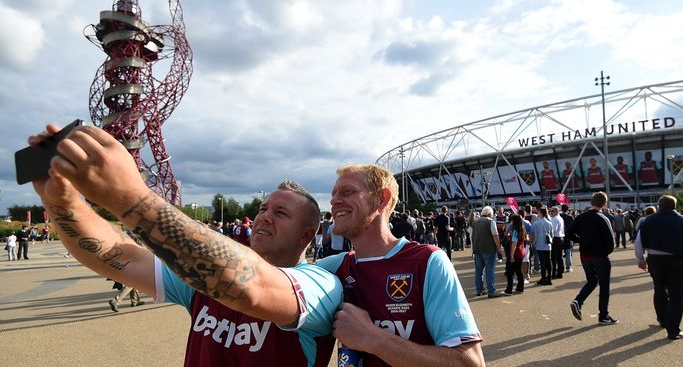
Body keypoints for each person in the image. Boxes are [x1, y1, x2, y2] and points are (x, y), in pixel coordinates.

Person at [28, 124, 342, 366]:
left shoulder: (320, 287)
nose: (265, 217)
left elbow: (251, 285)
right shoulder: (200, 282)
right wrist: (61, 203)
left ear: (306, 235)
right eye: (263, 209)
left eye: (281, 213)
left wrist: (129, 196)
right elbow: (114, 254)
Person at [317, 164, 485, 367]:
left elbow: (470, 363)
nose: (334, 200)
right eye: (333, 194)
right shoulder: (331, 268)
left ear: (382, 199)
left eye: (347, 192)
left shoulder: (427, 262)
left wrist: (373, 338)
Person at [635, 195, 683, 340]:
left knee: (659, 290)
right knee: (676, 296)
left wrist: (640, 258)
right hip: (677, 261)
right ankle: (673, 330)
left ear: (659, 205)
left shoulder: (649, 220)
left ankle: (662, 319)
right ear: (675, 206)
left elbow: (639, 241)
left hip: (655, 260)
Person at [566, 191, 618, 325]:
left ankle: (578, 301)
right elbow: (610, 242)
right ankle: (603, 315)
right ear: (604, 204)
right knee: (604, 285)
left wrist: (581, 240)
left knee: (592, 281)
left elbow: (568, 233)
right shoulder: (603, 218)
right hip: (600, 256)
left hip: (585, 255)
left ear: (591, 202)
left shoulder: (581, 217)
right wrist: (604, 251)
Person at [469, 206, 507, 298]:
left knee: (479, 271)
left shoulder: (475, 222)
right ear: (490, 213)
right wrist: (499, 249)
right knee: (490, 270)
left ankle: (479, 290)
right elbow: (495, 236)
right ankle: (491, 291)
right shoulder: (491, 221)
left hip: (477, 249)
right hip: (489, 249)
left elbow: (471, 236)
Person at [504, 215, 526, 294]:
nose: (511, 222)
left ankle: (509, 289)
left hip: (516, 253)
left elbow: (514, 244)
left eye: (511, 221)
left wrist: (511, 256)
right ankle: (520, 288)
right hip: (521, 252)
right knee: (519, 271)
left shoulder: (515, 231)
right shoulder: (522, 229)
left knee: (510, 272)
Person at [531, 207, 553, 285]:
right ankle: (549, 278)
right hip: (548, 245)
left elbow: (535, 235)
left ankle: (543, 278)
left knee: (542, 262)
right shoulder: (550, 222)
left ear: (540, 213)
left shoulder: (536, 223)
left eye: (538, 212)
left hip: (540, 245)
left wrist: (533, 242)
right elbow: (551, 235)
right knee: (548, 261)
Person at [549, 206, 565, 279]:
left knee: (553, 257)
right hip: (560, 238)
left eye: (552, 211)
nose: (550, 212)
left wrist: (550, 239)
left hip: (556, 238)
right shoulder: (560, 218)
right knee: (559, 257)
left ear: (556, 211)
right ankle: (560, 272)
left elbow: (553, 230)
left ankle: (554, 273)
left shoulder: (555, 219)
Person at [560, 205, 574, 272]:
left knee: (560, 252)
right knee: (568, 252)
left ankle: (560, 267)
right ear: (567, 209)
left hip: (559, 236)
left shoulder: (559, 216)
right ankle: (568, 267)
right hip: (568, 236)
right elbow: (573, 227)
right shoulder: (570, 217)